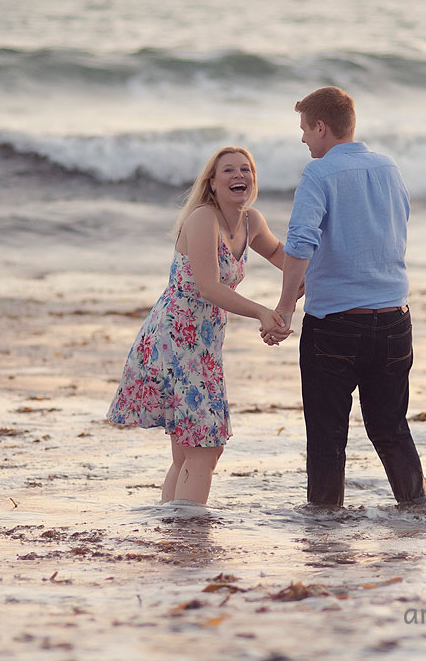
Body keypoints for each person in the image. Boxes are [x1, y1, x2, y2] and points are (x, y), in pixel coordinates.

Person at [263, 86, 426, 507]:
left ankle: (324, 534)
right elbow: (389, 230)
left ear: (322, 127)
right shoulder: (388, 167)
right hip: (394, 321)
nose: (303, 138)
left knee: (326, 437)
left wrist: (286, 306)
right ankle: (418, 515)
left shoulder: (318, 174)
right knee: (391, 428)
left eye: (304, 129)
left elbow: (301, 241)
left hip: (335, 326)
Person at [107, 147, 289, 505]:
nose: (240, 176)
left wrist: (308, 291)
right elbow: (209, 287)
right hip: (177, 339)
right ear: (212, 182)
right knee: (204, 448)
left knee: (191, 450)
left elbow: (288, 262)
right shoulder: (203, 218)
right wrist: (263, 314)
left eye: (246, 169)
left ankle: (173, 531)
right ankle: (189, 536)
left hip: (204, 345)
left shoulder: (251, 221)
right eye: (229, 171)